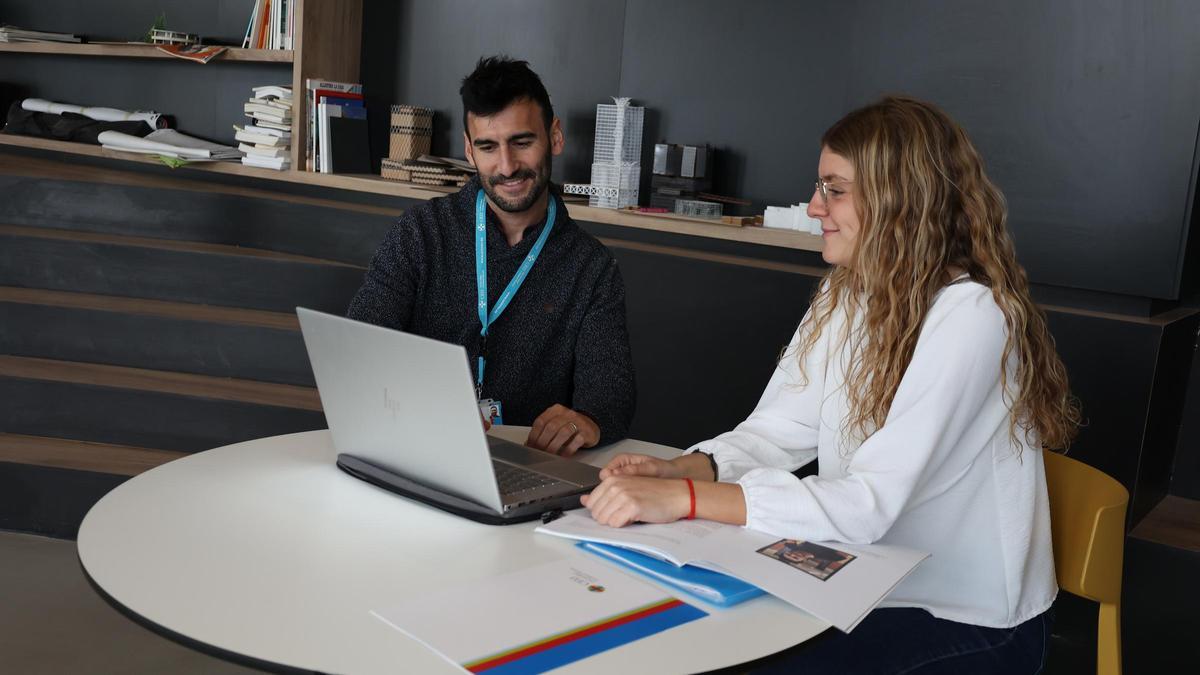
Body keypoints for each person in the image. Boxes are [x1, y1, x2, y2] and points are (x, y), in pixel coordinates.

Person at [579, 96, 1080, 673]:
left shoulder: (971, 315)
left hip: (966, 619)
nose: (815, 206)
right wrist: (685, 470)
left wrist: (685, 500)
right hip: (863, 584)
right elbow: (778, 430)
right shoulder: (847, 291)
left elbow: (869, 506)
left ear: (901, 200)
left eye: (834, 189)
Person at [347, 56, 635, 455]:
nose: (507, 166)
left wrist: (588, 421)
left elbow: (611, 396)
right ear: (469, 150)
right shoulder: (420, 233)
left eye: (522, 142)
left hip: (532, 463)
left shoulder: (592, 267)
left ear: (554, 136)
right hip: (419, 450)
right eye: (487, 146)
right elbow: (360, 347)